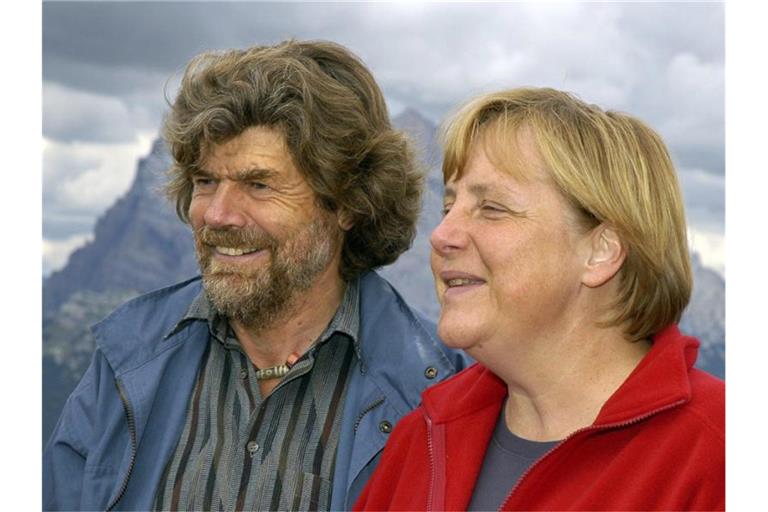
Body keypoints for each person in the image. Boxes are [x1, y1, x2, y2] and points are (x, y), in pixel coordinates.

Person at [43, 39, 468, 511]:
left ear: (347, 203)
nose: (218, 215)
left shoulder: (440, 392)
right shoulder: (126, 361)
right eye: (206, 181)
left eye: (258, 184)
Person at [354, 87, 724, 511]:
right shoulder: (422, 439)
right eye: (448, 207)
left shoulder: (721, 455)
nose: (441, 236)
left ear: (601, 251)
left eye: (491, 208)